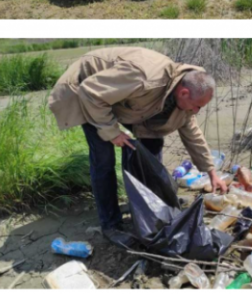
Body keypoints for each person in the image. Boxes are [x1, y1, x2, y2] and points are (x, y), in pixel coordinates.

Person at [47, 47, 227, 247]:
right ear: (184, 93)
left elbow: (191, 131)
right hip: (89, 93)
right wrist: (112, 132)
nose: (197, 111)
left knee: (150, 146)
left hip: (127, 99)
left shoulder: (183, 91)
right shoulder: (144, 78)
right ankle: (110, 224)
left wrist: (211, 172)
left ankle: (149, 207)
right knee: (103, 158)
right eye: (197, 106)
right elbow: (91, 92)